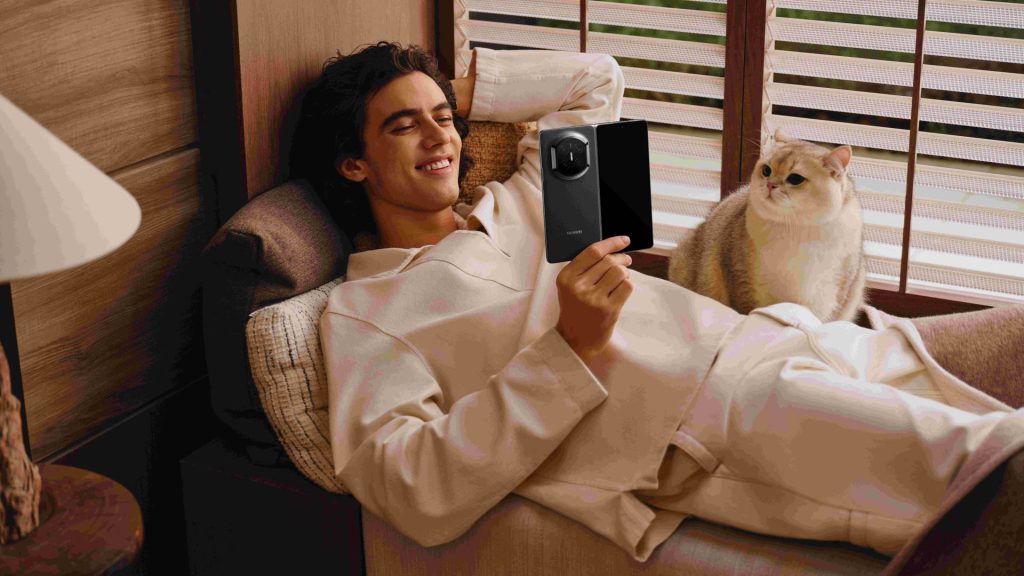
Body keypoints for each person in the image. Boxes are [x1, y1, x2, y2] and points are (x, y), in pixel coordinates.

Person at [291, 41, 1017, 562]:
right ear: (353, 163)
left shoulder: (527, 200)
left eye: (444, 118)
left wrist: (438, 87)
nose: (439, 137)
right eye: (403, 126)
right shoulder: (369, 310)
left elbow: (594, 80)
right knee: (988, 469)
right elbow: (412, 489)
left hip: (779, 337)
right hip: (709, 413)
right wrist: (567, 349)